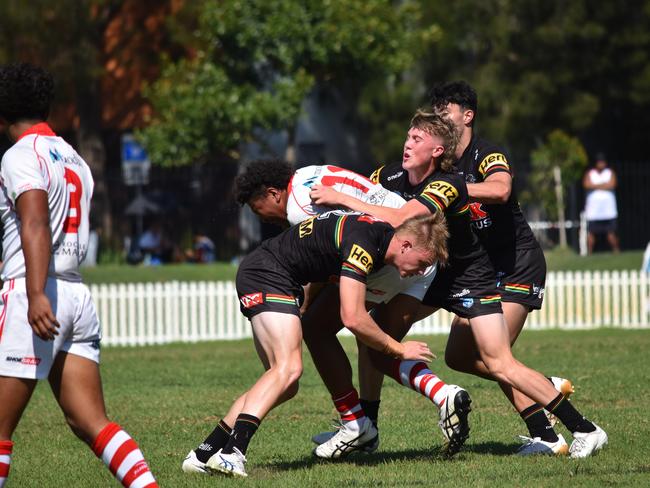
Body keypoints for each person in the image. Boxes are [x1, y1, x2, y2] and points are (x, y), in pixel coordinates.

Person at [310, 108, 608, 459]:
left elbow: (405, 218)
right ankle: (365, 429)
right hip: (426, 277)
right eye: (408, 136)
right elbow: (361, 196)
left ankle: (585, 429)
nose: (407, 144)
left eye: (417, 139)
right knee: (373, 341)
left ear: (437, 150)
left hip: (469, 278)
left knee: (499, 363)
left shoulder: (447, 183)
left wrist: (341, 197)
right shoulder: (389, 176)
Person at [183, 161, 470, 474]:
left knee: (282, 381)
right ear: (405, 243)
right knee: (288, 369)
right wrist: (399, 349)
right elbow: (353, 318)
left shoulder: (367, 230)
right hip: (267, 274)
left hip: (268, 273)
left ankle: (204, 453)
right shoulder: (365, 243)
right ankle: (233, 452)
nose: (418, 271)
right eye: (421, 261)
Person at [0, 63, 159, 488]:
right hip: (75, 295)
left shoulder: (20, 155)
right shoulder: (74, 157)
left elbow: (34, 222)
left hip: (34, 294)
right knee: (91, 421)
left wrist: (35, 294)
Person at [429, 80, 577, 454]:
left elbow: (500, 190)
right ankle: (544, 384)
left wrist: (453, 190)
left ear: (468, 115)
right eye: (437, 111)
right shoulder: (443, 162)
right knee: (458, 356)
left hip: (517, 266)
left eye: (446, 110)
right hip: (482, 271)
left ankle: (549, 437)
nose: (439, 117)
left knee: (495, 358)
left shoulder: (485, 152)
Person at [583, 153, 620, 254]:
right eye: (599, 162)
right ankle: (589, 253)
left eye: (602, 162)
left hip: (608, 210)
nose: (601, 164)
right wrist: (604, 185)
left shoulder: (610, 172)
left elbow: (612, 184)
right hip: (594, 211)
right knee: (591, 232)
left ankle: (616, 251)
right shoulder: (590, 173)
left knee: (611, 233)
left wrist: (595, 185)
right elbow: (586, 184)